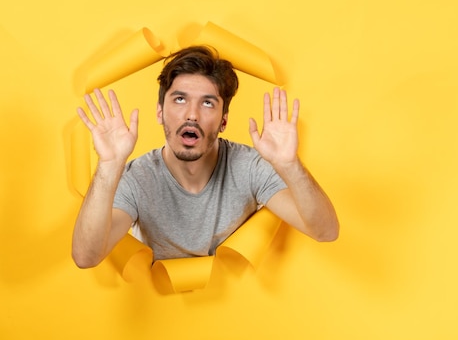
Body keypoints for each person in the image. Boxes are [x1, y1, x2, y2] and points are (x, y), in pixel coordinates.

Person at [72, 45, 339, 268]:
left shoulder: (248, 167)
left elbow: (325, 231)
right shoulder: (137, 178)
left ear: (224, 121)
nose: (192, 114)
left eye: (208, 103)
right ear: (159, 112)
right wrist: (108, 165)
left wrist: (289, 165)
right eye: (179, 99)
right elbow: (86, 257)